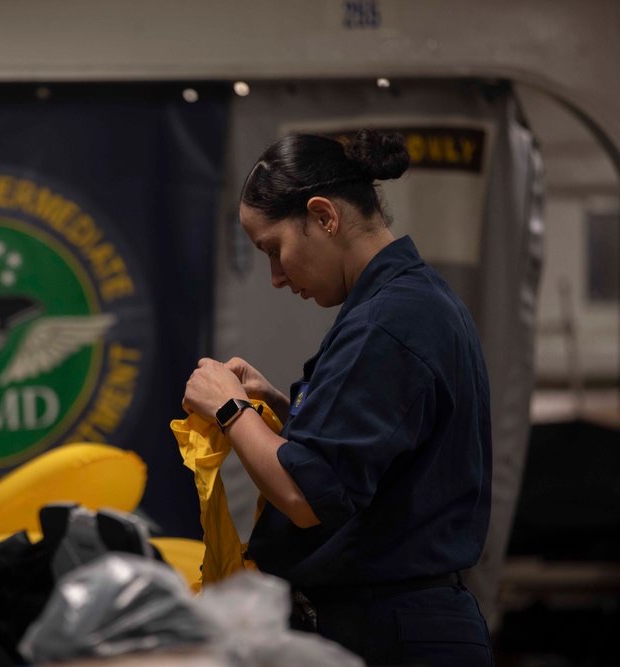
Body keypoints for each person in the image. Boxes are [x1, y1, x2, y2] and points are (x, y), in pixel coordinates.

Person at [181, 129, 493, 666]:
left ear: (324, 216)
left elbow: (307, 497)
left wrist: (229, 409)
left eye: (274, 250)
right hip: (400, 619)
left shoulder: (387, 322)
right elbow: (375, 455)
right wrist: (279, 405)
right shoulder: (415, 302)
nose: (276, 277)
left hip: (394, 628)